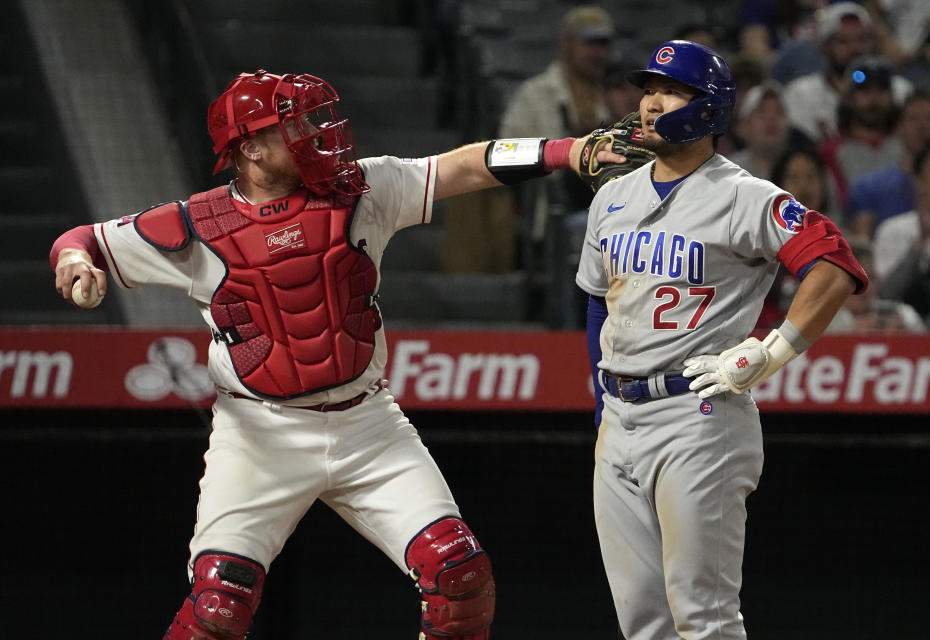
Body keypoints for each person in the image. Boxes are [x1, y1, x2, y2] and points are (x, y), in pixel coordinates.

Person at [50, 69, 617, 640]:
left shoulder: (362, 190)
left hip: (368, 425)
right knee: (216, 613)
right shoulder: (197, 225)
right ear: (249, 148)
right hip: (259, 436)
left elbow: (465, 166)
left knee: (461, 579)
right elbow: (82, 238)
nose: (314, 133)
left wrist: (567, 150)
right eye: (291, 125)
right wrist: (74, 264)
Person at [575, 41, 868, 639]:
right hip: (620, 419)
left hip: (699, 413)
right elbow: (594, 304)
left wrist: (773, 350)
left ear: (709, 109)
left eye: (672, 90)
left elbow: (833, 265)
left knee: (703, 618)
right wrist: (605, 406)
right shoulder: (613, 195)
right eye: (648, 88)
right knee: (642, 622)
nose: (652, 102)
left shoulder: (744, 195)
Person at [499, 4, 615, 242]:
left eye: (603, 44)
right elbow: (504, 153)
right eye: (589, 43)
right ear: (567, 43)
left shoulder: (616, 94)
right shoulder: (535, 93)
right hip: (553, 208)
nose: (597, 52)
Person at [782, 2, 913, 143]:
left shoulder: (900, 89)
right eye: (843, 41)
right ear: (823, 47)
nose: (854, 48)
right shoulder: (800, 93)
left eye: (862, 39)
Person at [873, 135, 930, 320]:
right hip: (909, 334)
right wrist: (920, 244)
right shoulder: (894, 230)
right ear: (919, 180)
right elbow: (886, 293)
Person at [845, 89, 930, 238]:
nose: (922, 126)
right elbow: (862, 246)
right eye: (913, 119)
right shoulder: (868, 187)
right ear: (899, 129)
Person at [817, 54, 903, 210]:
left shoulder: (906, 147)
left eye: (881, 90)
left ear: (892, 97)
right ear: (848, 99)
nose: (874, 99)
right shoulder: (829, 152)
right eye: (864, 91)